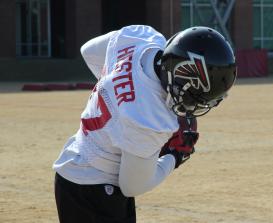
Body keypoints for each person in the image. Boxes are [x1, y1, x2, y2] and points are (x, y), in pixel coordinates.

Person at [53, 25, 237, 223]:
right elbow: (132, 186)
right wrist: (174, 157)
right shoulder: (152, 118)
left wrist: (116, 96)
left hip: (72, 165)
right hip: (96, 192)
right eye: (196, 97)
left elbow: (88, 51)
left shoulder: (141, 36)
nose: (195, 105)